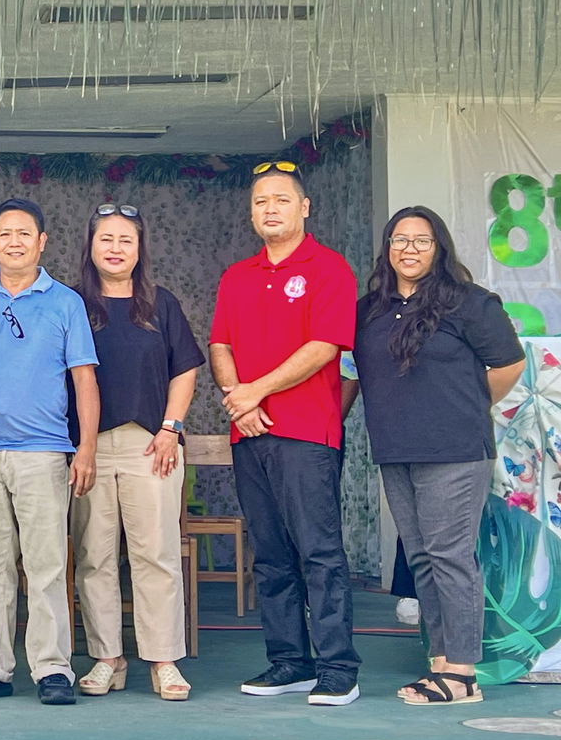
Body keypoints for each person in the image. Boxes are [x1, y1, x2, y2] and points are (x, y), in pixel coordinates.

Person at [345, 206, 523, 706]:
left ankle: (462, 674)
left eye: (421, 241)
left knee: (450, 557)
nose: (409, 249)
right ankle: (440, 663)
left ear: (439, 248)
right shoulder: (368, 310)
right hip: (396, 449)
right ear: (387, 249)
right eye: (400, 240)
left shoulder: (468, 304)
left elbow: (509, 365)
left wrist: (465, 402)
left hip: (456, 449)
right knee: (422, 558)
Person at [209, 160, 361, 706]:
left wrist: (256, 391)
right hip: (248, 434)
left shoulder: (329, 269)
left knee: (319, 552)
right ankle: (289, 661)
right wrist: (238, 400)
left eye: (279, 200)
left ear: (304, 207)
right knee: (270, 554)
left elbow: (325, 347)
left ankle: (338, 666)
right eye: (259, 203)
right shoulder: (237, 276)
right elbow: (220, 345)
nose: (268, 209)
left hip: (306, 434)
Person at [0, 197, 98, 707]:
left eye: (24, 234)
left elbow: (84, 379)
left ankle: (53, 668)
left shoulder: (65, 302)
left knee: (46, 563)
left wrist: (85, 448)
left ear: (42, 242)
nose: (14, 242)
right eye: (5, 234)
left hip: (44, 452)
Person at [68, 203, 203, 702]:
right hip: (90, 447)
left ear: (140, 248)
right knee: (94, 556)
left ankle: (164, 661)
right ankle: (107, 658)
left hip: (152, 445)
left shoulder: (160, 304)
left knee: (157, 555)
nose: (116, 248)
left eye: (126, 239)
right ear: (91, 246)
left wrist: (172, 427)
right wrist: (80, 447)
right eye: (107, 239)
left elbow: (185, 368)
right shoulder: (73, 304)